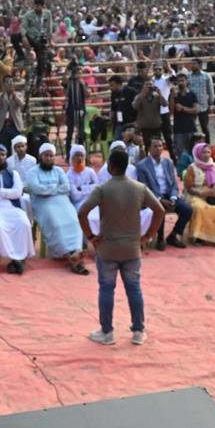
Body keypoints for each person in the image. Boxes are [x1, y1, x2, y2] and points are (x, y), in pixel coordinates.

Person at [78, 146, 164, 346]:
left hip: (107, 248)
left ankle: (106, 332)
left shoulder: (102, 189)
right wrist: (148, 235)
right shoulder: (139, 188)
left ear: (110, 167)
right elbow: (159, 210)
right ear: (127, 166)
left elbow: (82, 212)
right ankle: (138, 331)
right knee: (134, 289)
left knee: (106, 289)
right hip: (132, 247)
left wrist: (91, 236)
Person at [22, 143, 89, 274]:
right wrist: (55, 188)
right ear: (40, 157)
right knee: (57, 224)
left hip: (62, 202)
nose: (48, 158)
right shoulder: (32, 173)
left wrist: (48, 189)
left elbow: (66, 187)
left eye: (51, 156)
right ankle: (71, 255)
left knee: (74, 221)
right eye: (46, 155)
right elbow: (37, 189)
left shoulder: (58, 171)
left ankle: (74, 251)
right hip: (43, 204)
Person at [0, 144, 34, 274]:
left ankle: (18, 259)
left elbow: (18, 193)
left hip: (12, 207)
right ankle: (15, 259)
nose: (1, 157)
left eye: (3, 155)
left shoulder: (13, 174)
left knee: (24, 223)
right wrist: (7, 194)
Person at [135, 137, 191, 249]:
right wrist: (160, 199)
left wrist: (174, 197)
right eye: (155, 146)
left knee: (187, 209)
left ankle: (173, 235)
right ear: (149, 149)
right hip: (152, 197)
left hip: (169, 195)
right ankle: (160, 238)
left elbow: (174, 183)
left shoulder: (168, 162)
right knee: (160, 208)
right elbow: (144, 187)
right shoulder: (142, 165)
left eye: (160, 146)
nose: (158, 148)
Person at [66, 143, 99, 208]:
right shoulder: (69, 175)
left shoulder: (90, 171)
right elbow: (75, 197)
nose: (80, 158)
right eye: (77, 155)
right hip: (79, 205)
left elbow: (98, 188)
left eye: (81, 155)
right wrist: (90, 187)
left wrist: (81, 188)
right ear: (72, 157)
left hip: (94, 201)